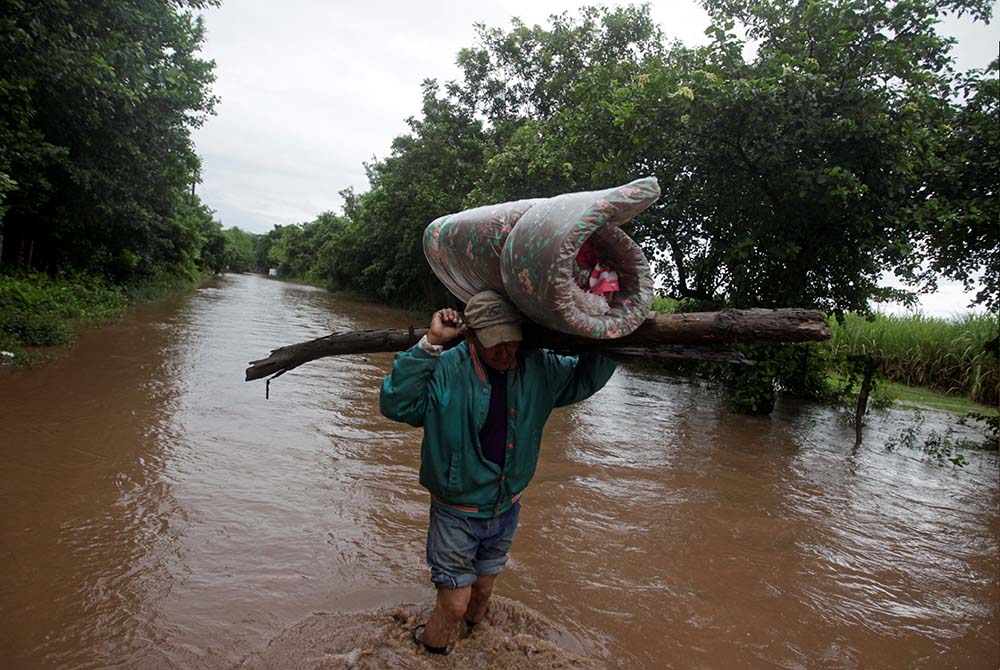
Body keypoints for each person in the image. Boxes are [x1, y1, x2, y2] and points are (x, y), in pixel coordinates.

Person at [379, 290, 617, 654]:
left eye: (512, 342)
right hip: (455, 510)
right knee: (455, 603)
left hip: (506, 507)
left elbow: (583, 379)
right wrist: (430, 344)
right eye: (495, 345)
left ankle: (473, 648)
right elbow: (397, 404)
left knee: (482, 594)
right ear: (472, 336)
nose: (505, 352)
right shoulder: (446, 366)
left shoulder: (538, 365)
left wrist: (610, 331)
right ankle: (430, 653)